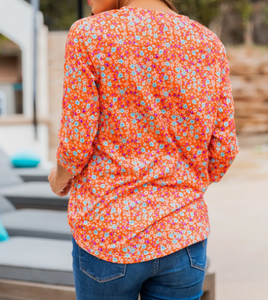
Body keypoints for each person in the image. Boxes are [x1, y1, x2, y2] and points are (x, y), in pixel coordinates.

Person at [48, 0, 239, 299]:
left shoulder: (89, 35)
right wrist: (182, 188)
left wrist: (58, 180)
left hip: (108, 236)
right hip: (183, 236)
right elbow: (224, 150)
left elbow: (75, 144)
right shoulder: (207, 42)